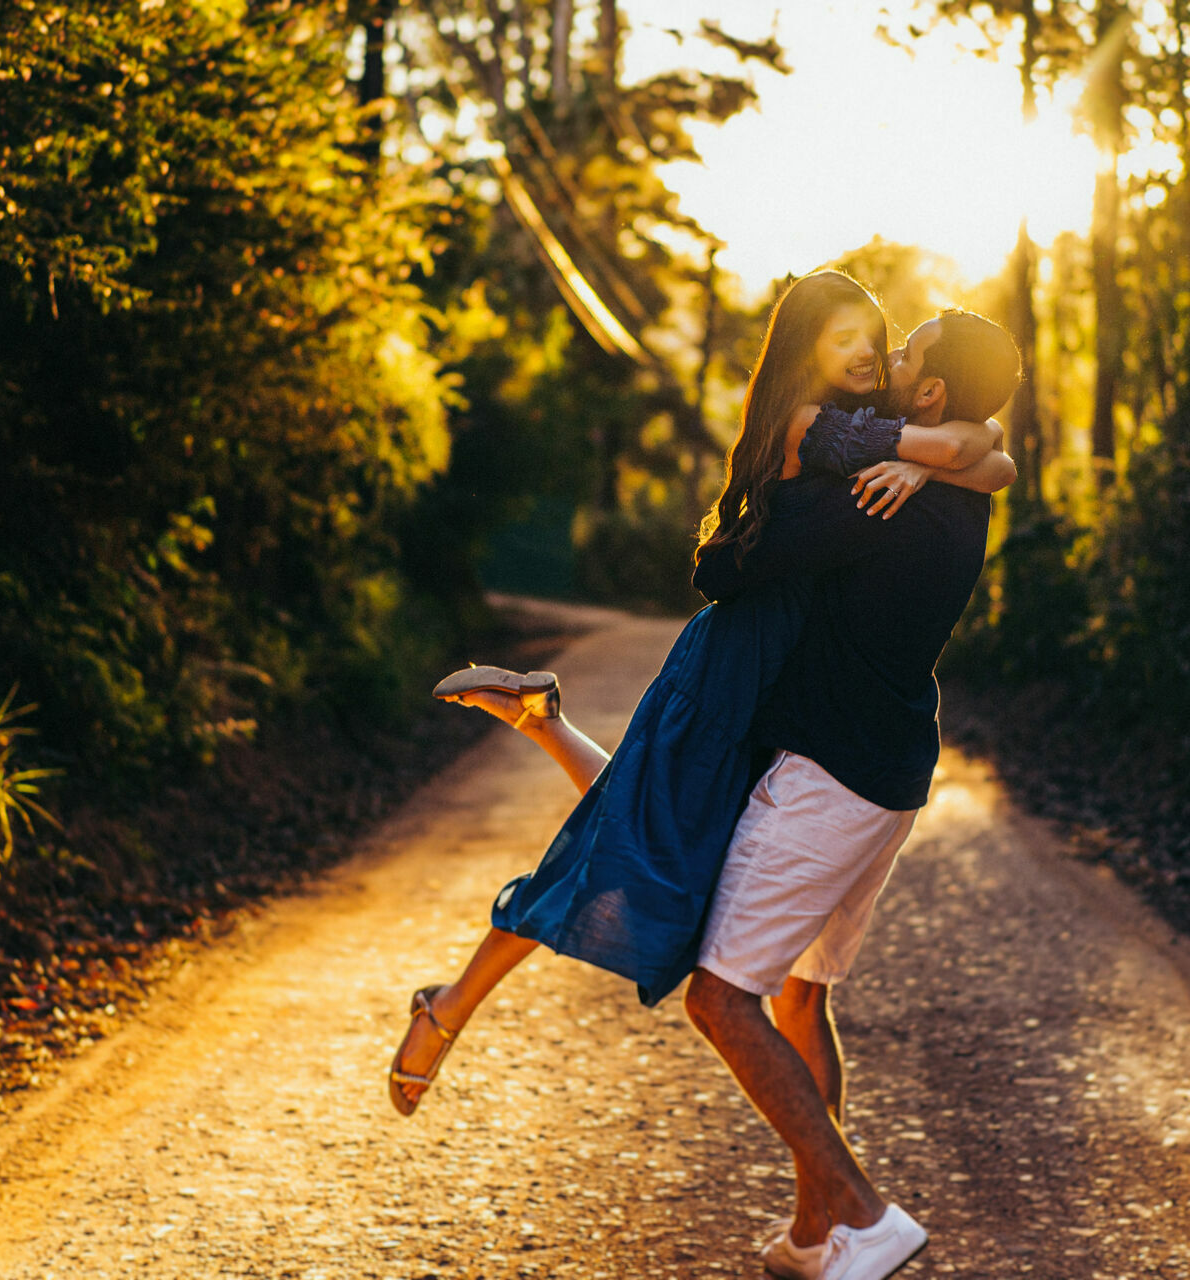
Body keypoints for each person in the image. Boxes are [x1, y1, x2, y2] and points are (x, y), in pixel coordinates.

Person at [388, 272, 1015, 1120]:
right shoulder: (816, 422)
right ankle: (452, 1003)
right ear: (806, 352)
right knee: (629, 837)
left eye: (878, 336)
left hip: (787, 666)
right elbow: (954, 455)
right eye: (846, 340)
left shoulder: (871, 427)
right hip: (740, 655)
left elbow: (989, 447)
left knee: (659, 828)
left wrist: (928, 459)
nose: (871, 350)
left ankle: (543, 723)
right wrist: (924, 461)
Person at [682, 308, 1023, 1280]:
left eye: (907, 350)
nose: (891, 356)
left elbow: (725, 566)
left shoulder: (870, 498)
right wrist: (942, 456)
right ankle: (810, 1233)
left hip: (827, 773)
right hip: (892, 775)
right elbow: (986, 448)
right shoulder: (952, 486)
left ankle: (865, 1215)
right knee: (801, 993)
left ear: (928, 396)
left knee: (721, 995)